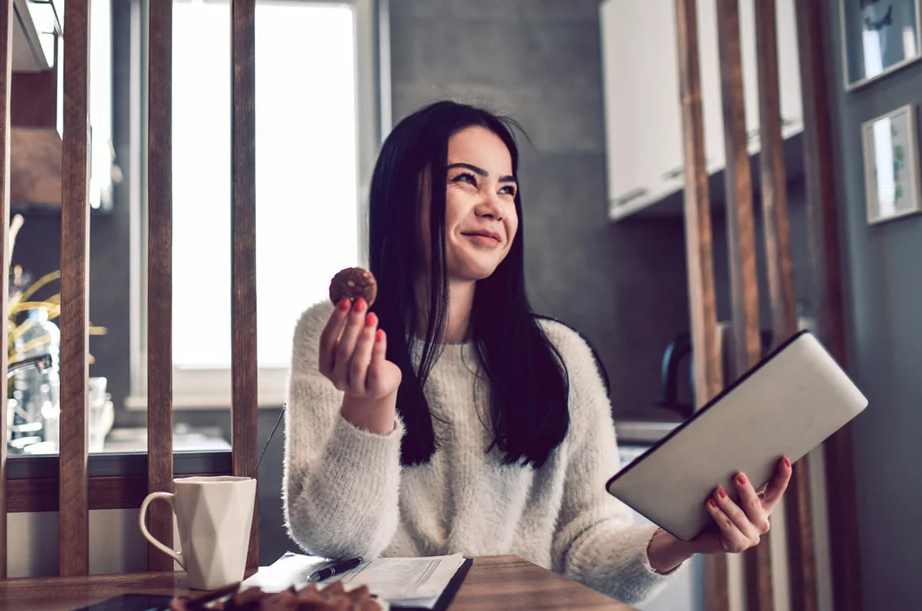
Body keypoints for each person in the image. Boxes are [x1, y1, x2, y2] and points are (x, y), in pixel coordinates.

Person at [281, 101, 792, 605]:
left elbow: (585, 544)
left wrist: (681, 541)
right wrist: (369, 405)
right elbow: (337, 543)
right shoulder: (337, 334)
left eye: (506, 189)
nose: (494, 206)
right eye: (466, 180)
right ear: (400, 195)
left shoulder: (561, 356)